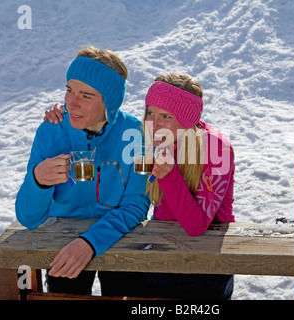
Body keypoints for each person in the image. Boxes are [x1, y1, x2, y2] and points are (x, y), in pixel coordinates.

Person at [44, 72, 235, 299]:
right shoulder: (149, 140)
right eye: (150, 113)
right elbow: (106, 128)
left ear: (187, 121)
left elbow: (196, 227)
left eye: (166, 116)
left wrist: (171, 177)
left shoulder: (216, 149)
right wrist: (68, 114)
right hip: (159, 256)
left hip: (206, 265)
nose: (154, 124)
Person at [16, 46, 150, 295]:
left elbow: (136, 204)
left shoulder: (135, 133)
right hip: (62, 244)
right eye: (69, 90)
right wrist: (38, 181)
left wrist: (90, 242)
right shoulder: (50, 131)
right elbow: (28, 217)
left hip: (121, 236)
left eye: (87, 96)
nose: (72, 103)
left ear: (109, 103)